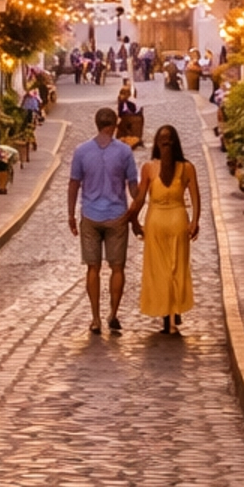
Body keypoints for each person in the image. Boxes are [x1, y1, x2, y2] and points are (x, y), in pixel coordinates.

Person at [67, 106, 142, 337]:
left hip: (90, 215)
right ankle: (113, 313)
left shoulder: (81, 151)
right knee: (117, 267)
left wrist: (71, 214)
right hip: (117, 214)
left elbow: (74, 184)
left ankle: (95, 318)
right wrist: (135, 211)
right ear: (115, 124)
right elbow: (132, 184)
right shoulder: (124, 152)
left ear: (96, 123)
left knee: (93, 267)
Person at [130, 122, 201, 333]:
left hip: (156, 222)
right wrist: (195, 221)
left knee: (159, 269)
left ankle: (166, 315)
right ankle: (173, 315)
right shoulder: (187, 168)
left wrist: (131, 219)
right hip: (178, 220)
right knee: (177, 267)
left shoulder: (149, 168)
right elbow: (196, 198)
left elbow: (140, 198)